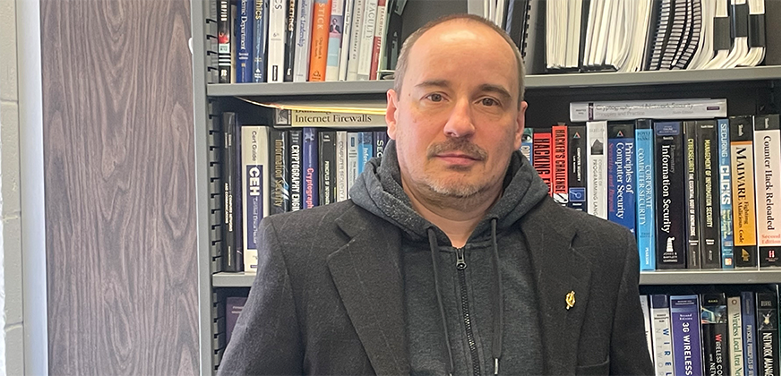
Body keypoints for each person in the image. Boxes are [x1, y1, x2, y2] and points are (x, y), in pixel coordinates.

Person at [218, 13, 652, 376]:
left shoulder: (603, 254)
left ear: (519, 124)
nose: (459, 124)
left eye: (488, 101)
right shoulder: (299, 254)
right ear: (393, 112)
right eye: (435, 96)